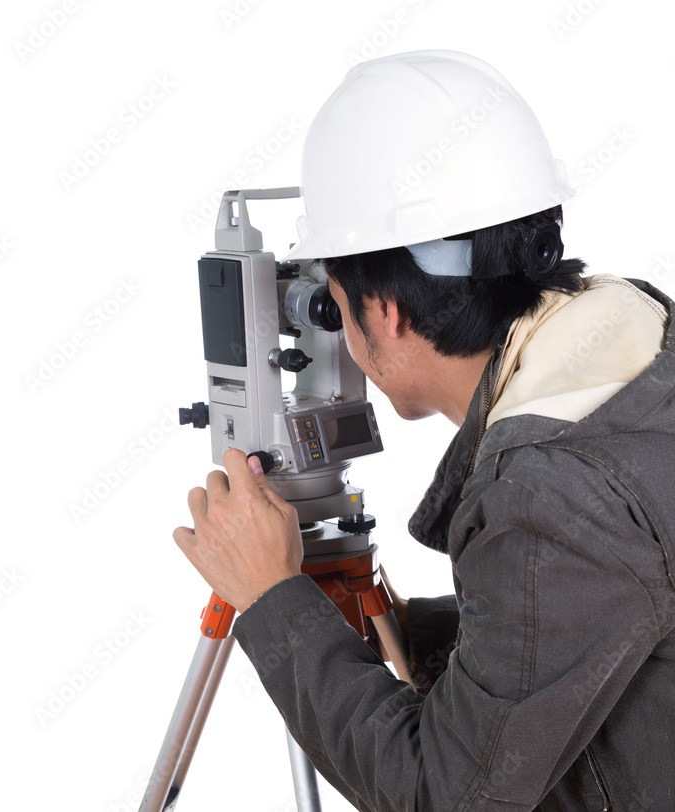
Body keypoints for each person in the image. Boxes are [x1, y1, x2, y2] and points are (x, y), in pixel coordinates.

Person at [172, 50, 675, 811]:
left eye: (336, 305)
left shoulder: (550, 502)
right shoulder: (644, 351)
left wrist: (276, 599)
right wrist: (422, 631)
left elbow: (443, 797)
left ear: (389, 310)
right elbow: (612, 616)